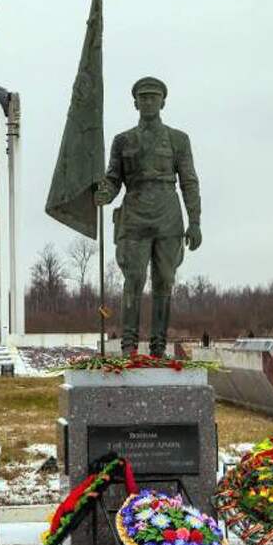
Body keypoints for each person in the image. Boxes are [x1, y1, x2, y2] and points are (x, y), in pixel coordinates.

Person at [95, 76, 201, 356]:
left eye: (154, 97)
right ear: (135, 103)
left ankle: (158, 346)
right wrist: (104, 193)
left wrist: (195, 221)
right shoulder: (123, 140)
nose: (149, 102)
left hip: (168, 213)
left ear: (163, 102)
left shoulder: (179, 139)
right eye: (143, 97)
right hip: (135, 214)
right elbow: (113, 178)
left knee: (165, 279)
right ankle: (128, 345)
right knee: (133, 278)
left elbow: (189, 180)